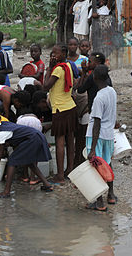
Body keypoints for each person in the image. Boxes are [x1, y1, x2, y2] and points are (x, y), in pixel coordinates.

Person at [0, 110, 53, 198]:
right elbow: (1, 149)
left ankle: (6, 192)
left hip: (32, 139)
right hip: (36, 136)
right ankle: (47, 185)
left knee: (12, 161)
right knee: (30, 162)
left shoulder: (1, 131)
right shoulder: (4, 125)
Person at [43, 44, 77, 183]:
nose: (53, 56)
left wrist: (49, 68)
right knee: (70, 140)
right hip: (70, 106)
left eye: (55, 53)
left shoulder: (57, 69)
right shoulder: (67, 65)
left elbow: (46, 86)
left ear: (63, 53)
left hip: (60, 109)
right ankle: (70, 169)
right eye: (52, 53)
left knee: (60, 142)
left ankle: (60, 175)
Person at [86, 65, 117, 211]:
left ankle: (99, 202)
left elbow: (96, 122)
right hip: (109, 135)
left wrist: (92, 149)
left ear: (94, 78)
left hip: (97, 136)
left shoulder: (99, 98)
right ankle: (110, 194)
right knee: (107, 164)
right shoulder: (111, 91)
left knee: (96, 166)